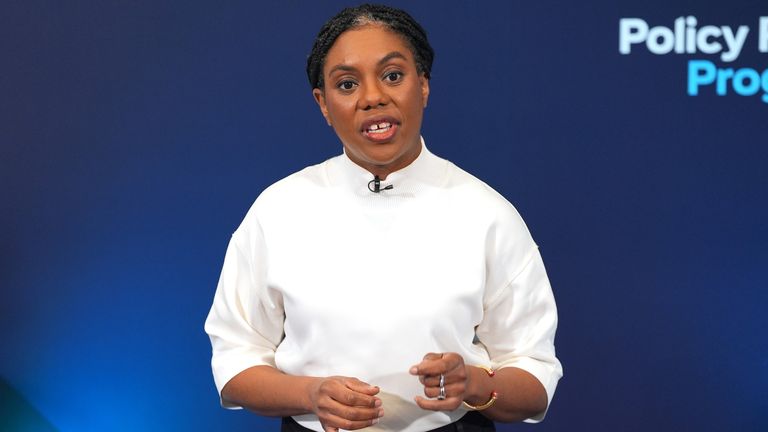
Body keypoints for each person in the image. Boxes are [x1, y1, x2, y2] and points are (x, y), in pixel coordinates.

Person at [204, 4, 562, 432]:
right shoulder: (277, 210)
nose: (372, 97)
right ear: (323, 104)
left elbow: (534, 374)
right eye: (347, 84)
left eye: (393, 76)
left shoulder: (488, 213)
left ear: (423, 85)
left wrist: (475, 384)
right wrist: (310, 394)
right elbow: (235, 360)